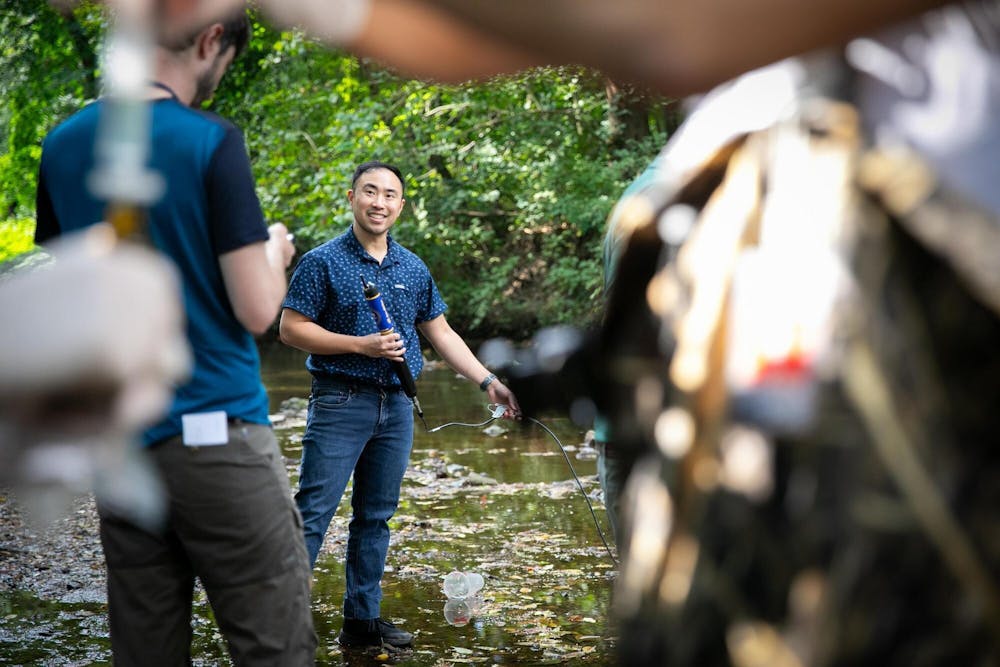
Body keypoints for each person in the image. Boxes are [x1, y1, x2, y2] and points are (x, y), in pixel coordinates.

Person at [34, 7, 318, 665]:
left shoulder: (62, 144)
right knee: (274, 645)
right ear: (210, 40)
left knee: (147, 648)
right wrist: (274, 251)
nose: (220, 77)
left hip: (122, 443)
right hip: (216, 433)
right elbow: (256, 310)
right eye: (226, 62)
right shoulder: (210, 140)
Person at [278, 160, 520, 649]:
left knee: (376, 517)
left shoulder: (412, 266)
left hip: (397, 408)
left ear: (401, 206)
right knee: (313, 513)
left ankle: (362, 624)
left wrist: (486, 379)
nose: (379, 203)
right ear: (351, 197)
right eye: (370, 192)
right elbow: (290, 329)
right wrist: (359, 345)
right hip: (340, 401)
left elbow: (441, 332)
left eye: (389, 195)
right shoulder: (322, 261)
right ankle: (275, 625)